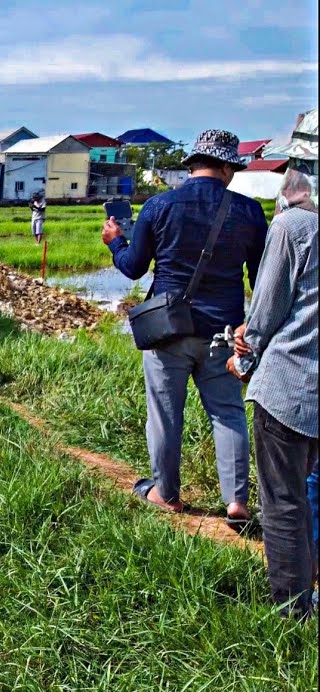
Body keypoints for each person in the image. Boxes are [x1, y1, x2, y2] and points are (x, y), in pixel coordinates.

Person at [101, 129, 267, 525]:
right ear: (227, 167)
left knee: (165, 414)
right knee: (227, 413)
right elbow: (261, 280)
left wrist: (114, 242)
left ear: (192, 164)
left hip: (168, 330)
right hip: (224, 334)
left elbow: (134, 267)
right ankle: (237, 503)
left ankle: (166, 494)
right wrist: (253, 329)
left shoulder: (159, 206)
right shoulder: (249, 212)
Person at [227, 121, 318, 618]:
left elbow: (265, 311)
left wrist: (245, 352)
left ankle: (291, 610)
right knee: (307, 494)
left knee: (283, 502)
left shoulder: (292, 227)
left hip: (290, 387)